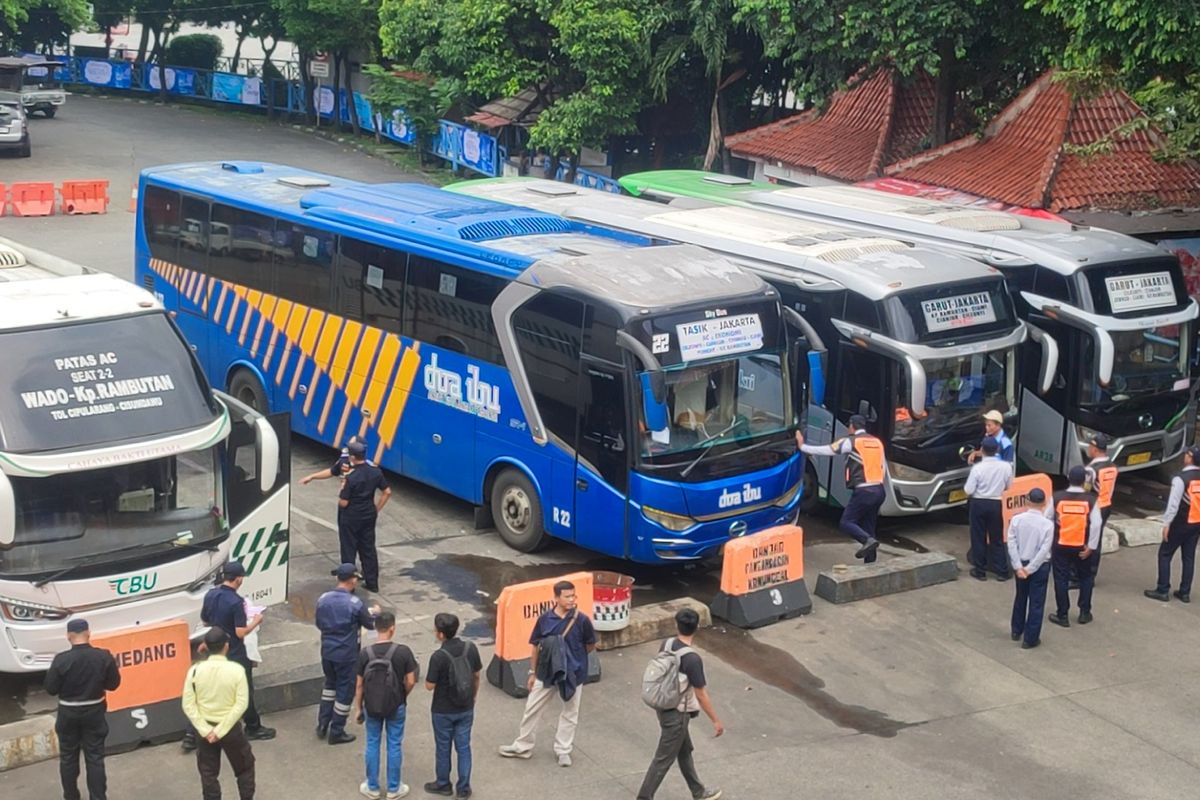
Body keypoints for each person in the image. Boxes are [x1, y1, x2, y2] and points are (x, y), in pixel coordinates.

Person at [498, 580, 597, 766]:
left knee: (570, 712)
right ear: (556, 598)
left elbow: (590, 644)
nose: (571, 600)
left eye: (573, 596)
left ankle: (563, 750)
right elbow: (535, 646)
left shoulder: (582, 619)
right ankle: (523, 746)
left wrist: (573, 660)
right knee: (532, 708)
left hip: (573, 673)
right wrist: (532, 672)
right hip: (546, 672)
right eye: (567, 596)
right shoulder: (544, 620)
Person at [635, 609, 724, 800]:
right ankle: (644, 797)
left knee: (684, 751)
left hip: (663, 706)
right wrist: (715, 720)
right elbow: (701, 693)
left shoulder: (666, 644)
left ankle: (698, 792)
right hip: (677, 714)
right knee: (663, 759)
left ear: (677, 625)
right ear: (696, 628)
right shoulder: (692, 659)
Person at [44, 618, 121, 800]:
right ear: (88, 633)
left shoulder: (61, 660)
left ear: (69, 636)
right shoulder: (103, 656)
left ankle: (71, 796)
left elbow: (51, 689)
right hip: (94, 712)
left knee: (68, 757)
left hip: (68, 713)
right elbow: (113, 684)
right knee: (95, 758)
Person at [795, 413, 885, 562]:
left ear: (852, 426)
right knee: (869, 525)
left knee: (846, 522)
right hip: (879, 490)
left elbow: (829, 450)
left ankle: (866, 541)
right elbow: (882, 467)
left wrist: (803, 447)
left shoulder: (852, 441)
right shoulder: (877, 442)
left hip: (864, 490)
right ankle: (871, 563)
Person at [200, 561, 275, 741]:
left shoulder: (210, 595)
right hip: (234, 652)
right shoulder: (236, 602)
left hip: (215, 650)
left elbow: (205, 621)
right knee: (244, 690)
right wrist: (256, 621)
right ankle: (253, 726)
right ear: (239, 579)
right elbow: (240, 632)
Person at [182, 628, 256, 800]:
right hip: (231, 730)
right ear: (226, 646)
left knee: (208, 772)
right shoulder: (236, 670)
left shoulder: (194, 671)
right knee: (244, 768)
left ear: (205, 646)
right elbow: (241, 704)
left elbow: (188, 704)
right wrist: (221, 730)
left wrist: (206, 730)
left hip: (204, 730)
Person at [354, 611, 418, 800]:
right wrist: (402, 694)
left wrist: (359, 708)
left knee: (372, 743)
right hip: (395, 704)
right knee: (394, 744)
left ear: (375, 628)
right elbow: (411, 680)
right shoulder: (403, 651)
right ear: (392, 628)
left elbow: (359, 685)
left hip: (372, 705)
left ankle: (372, 787)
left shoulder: (365, 653)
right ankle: (393, 787)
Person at [316, 563, 380, 745]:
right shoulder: (355, 603)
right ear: (352, 580)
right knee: (345, 691)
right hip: (346, 654)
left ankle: (322, 723)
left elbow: (319, 623)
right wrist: (375, 614)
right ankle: (337, 730)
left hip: (327, 651)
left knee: (329, 686)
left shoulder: (323, 599)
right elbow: (369, 624)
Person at [423, 612, 482, 799]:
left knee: (443, 747)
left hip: (442, 710)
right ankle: (464, 788)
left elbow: (429, 685)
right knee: (464, 748)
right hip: (465, 707)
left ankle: (443, 784)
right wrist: (472, 697)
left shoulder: (438, 656)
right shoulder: (470, 648)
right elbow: (477, 675)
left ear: (440, 634)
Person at [1048, 466, 1103, 627]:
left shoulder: (1057, 497)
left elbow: (1047, 519)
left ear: (1068, 478)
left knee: (1061, 579)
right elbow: (1096, 524)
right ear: (1084, 481)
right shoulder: (1091, 500)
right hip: (1082, 546)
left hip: (1061, 545)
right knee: (1086, 578)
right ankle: (1084, 612)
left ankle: (1062, 614)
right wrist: (1091, 547)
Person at [1144, 446, 1200, 603]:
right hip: (1196, 522)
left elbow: (1173, 504)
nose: (1184, 456)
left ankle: (1162, 589)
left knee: (1165, 553)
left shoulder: (1181, 478)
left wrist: (1166, 523)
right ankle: (1185, 592)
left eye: (1187, 454)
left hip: (1180, 522)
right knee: (1188, 557)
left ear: (1190, 457)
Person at [338, 440, 392, 593]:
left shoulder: (351, 477)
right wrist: (376, 509)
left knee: (349, 550)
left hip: (351, 516)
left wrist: (343, 487)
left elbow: (343, 502)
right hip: (368, 514)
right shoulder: (375, 471)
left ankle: (349, 585)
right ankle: (372, 582)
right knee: (368, 548)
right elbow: (387, 492)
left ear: (353, 457)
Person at [1006, 488, 1055, 649]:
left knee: (1020, 597)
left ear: (1027, 501)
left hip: (1021, 562)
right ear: (1044, 503)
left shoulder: (1017, 519)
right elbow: (1044, 550)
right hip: (1040, 567)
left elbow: (1011, 543)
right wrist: (1031, 568)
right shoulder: (1048, 525)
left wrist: (1019, 566)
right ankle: (1030, 638)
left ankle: (1016, 630)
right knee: (1037, 602)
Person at [965, 436, 1014, 581]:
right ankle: (1002, 571)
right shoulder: (1006, 467)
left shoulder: (977, 468)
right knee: (997, 538)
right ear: (997, 450)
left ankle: (980, 571)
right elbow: (1009, 486)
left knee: (978, 537)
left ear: (982, 450)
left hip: (978, 504)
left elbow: (968, 490)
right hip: (995, 504)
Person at [1083, 434, 1118, 583]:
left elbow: (1085, 490)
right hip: (1106, 505)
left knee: (1086, 541)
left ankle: (1082, 574)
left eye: (1090, 447)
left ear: (1095, 449)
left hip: (1094, 507)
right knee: (1096, 541)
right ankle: (1092, 573)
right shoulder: (1113, 467)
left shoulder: (1091, 470)